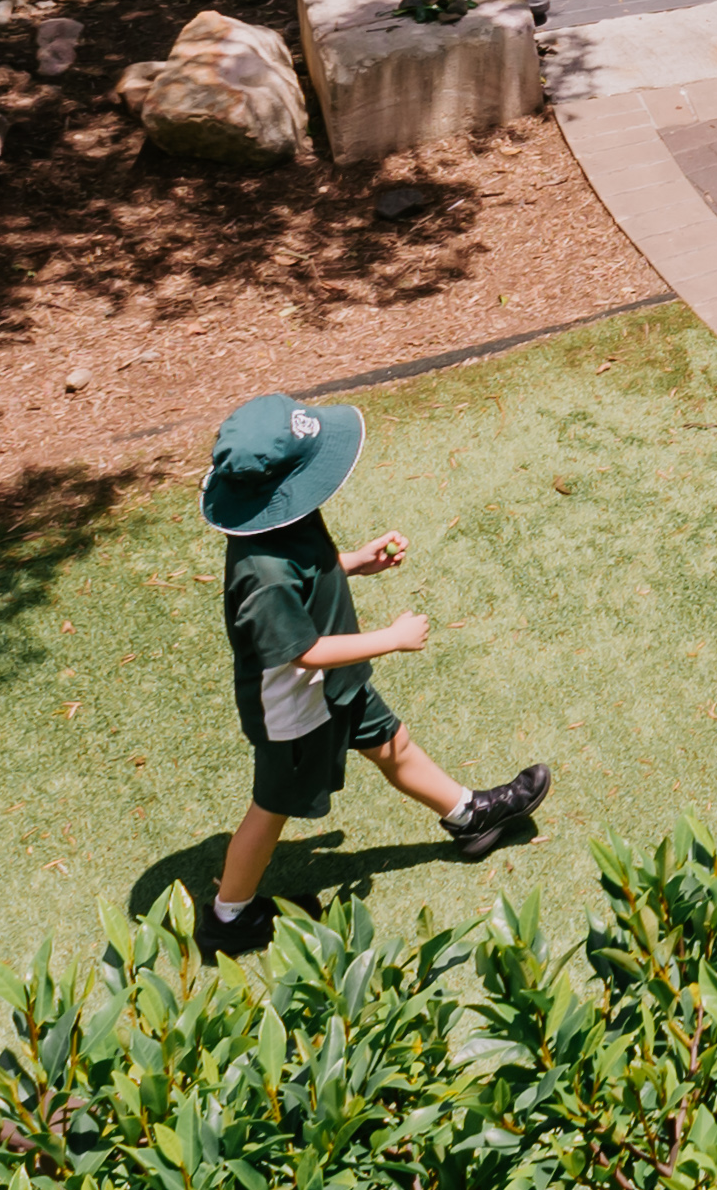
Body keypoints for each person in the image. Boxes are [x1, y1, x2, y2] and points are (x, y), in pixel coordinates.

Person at [196, 388, 550, 960]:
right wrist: (391, 639)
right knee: (271, 806)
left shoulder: (284, 525)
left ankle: (469, 817)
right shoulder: (260, 573)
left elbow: (312, 571)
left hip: (338, 683)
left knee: (392, 744)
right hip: (297, 710)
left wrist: (356, 562)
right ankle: (227, 919)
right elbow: (302, 651)